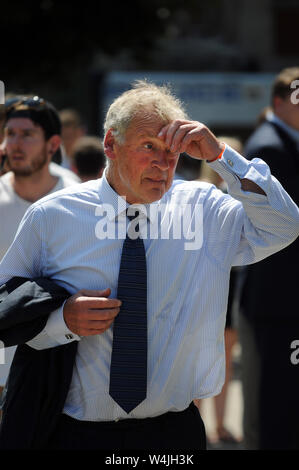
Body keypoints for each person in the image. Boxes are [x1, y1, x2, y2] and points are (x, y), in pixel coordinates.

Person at [0, 80, 298, 450]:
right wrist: (63, 319)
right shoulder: (53, 216)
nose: (163, 163)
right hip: (76, 433)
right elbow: (6, 302)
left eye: (173, 150)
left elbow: (284, 225)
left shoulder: (203, 208)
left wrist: (220, 155)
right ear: (111, 144)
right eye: (148, 147)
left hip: (172, 434)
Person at [0, 95, 79, 397]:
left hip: (62, 361)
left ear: (53, 144)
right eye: (10, 134)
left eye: (28, 134)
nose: (15, 144)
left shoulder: (77, 197)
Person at [239, 67, 299, 449]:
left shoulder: (282, 141)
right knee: (276, 409)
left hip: (282, 300)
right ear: (279, 102)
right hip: (279, 301)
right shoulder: (270, 146)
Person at [194, 136, 243, 445]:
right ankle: (197, 425)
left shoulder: (238, 195)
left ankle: (220, 425)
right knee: (198, 358)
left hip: (229, 282)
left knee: (222, 358)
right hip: (202, 283)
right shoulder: (195, 195)